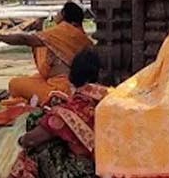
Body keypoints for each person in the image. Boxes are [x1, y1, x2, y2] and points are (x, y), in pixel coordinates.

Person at [7, 48, 109, 178]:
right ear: (101, 74)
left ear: (72, 75)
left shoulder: (68, 112)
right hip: (111, 166)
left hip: (85, 170)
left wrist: (21, 141)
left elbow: (31, 140)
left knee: (37, 148)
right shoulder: (110, 97)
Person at [0, 1, 94, 104]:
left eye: (61, 12)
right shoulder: (82, 37)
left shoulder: (64, 31)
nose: (57, 14)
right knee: (29, 79)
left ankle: (56, 98)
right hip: (64, 83)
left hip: (62, 87)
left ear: (67, 18)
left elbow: (25, 40)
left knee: (14, 84)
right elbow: (45, 45)